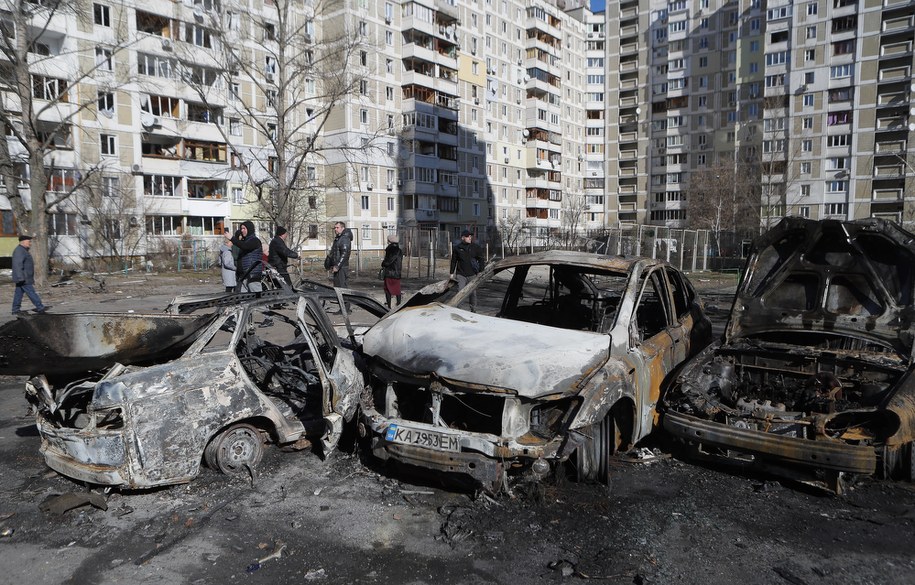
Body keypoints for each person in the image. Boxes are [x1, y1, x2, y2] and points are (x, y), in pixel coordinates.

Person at [11, 235, 50, 315]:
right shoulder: (19, 251)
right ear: (23, 241)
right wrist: (20, 277)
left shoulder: (23, 250)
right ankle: (40, 307)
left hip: (23, 277)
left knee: (18, 293)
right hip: (23, 277)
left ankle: (15, 309)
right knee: (31, 292)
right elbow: (17, 265)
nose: (30, 243)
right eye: (29, 241)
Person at [450, 229, 485, 312]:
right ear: (462, 238)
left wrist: (481, 271)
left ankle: (473, 309)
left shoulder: (476, 247)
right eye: (467, 236)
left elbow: (481, 260)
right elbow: (453, 261)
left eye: (470, 236)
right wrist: (451, 273)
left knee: (472, 293)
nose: (470, 238)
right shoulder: (457, 248)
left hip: (472, 274)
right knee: (460, 291)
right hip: (461, 274)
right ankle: (459, 309)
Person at [228, 220, 264, 292]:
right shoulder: (245, 241)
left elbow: (245, 246)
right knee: (243, 299)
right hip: (244, 275)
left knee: (257, 297)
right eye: (241, 228)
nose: (242, 230)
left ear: (249, 229)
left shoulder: (254, 241)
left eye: (244, 228)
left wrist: (232, 238)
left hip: (252, 274)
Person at [381, 234, 404, 308]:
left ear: (390, 241)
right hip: (397, 272)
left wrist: (383, 263)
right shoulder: (399, 250)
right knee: (397, 289)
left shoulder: (391, 249)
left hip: (390, 272)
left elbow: (389, 261)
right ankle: (399, 304)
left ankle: (389, 306)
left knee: (388, 289)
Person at [330, 221, 352, 288]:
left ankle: (345, 299)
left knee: (342, 288)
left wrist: (337, 266)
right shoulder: (339, 238)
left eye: (337, 227)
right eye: (335, 228)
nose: (335, 229)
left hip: (342, 268)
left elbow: (345, 253)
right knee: (337, 287)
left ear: (342, 228)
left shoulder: (344, 238)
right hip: (338, 267)